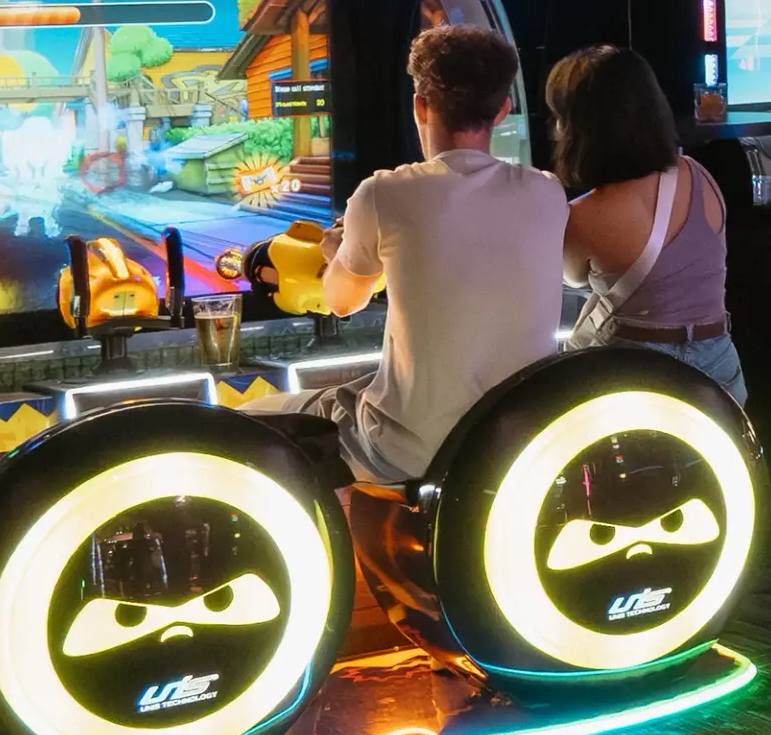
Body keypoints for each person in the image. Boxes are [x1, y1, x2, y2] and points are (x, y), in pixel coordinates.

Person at [270, 24, 567, 483]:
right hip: (520, 447)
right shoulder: (548, 193)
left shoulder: (383, 194)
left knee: (257, 413)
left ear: (420, 105)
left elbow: (341, 302)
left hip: (411, 453)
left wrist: (337, 251)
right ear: (504, 110)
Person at [547, 43, 745, 407]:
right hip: (720, 367)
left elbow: (572, 280)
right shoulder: (700, 176)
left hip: (636, 371)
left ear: (581, 128)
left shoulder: (585, 214)